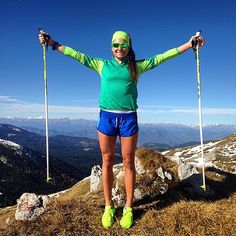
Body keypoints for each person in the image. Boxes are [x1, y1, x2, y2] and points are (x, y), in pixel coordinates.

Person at [39, 30, 204, 229]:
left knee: (128, 162)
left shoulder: (136, 67)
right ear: (111, 47)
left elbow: (162, 57)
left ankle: (128, 207)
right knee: (107, 160)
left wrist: (188, 45)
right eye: (116, 45)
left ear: (128, 47)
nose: (119, 48)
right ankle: (109, 206)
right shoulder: (102, 65)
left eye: (123, 45)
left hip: (128, 119)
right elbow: (78, 56)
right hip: (106, 117)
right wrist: (53, 43)